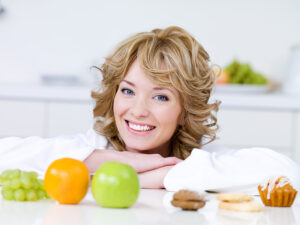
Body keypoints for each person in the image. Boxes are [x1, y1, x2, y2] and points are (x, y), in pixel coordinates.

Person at [1, 26, 299, 192]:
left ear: (185, 111)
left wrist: (160, 177)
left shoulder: (198, 162)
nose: (138, 110)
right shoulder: (89, 148)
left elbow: (287, 173)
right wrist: (104, 161)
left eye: (160, 97)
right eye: (128, 91)